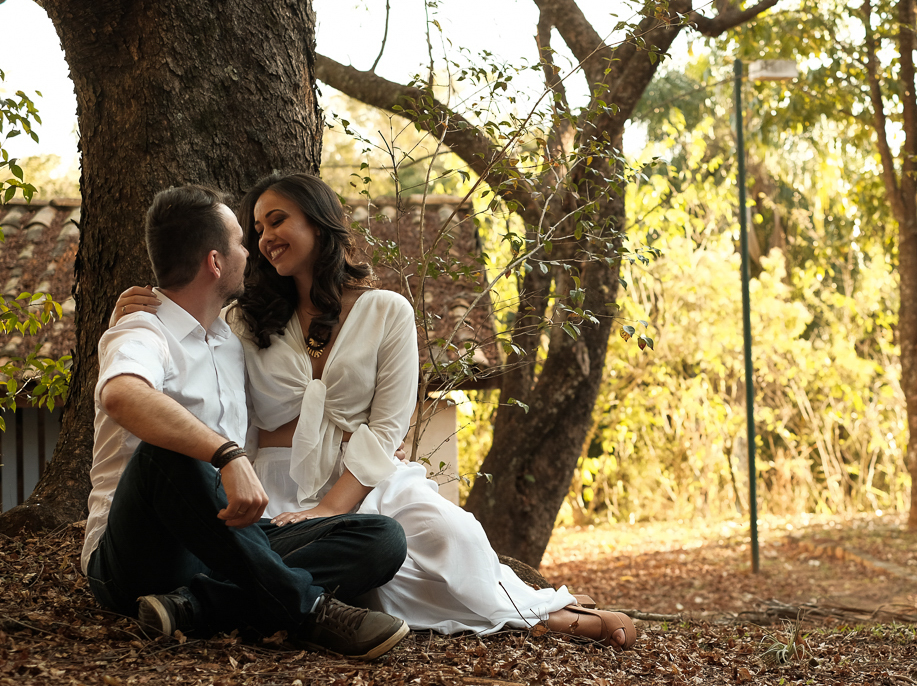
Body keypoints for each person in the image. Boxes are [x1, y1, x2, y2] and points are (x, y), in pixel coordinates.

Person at [115, 173, 637, 649]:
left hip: (364, 476)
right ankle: (555, 622)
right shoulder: (243, 323)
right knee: (376, 583)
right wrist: (137, 309)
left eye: (278, 219)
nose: (265, 236)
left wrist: (333, 507)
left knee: (451, 537)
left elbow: (388, 425)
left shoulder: (388, 311)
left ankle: (539, 612)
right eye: (255, 229)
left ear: (319, 222)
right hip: (276, 483)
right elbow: (190, 316)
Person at [86, 184, 411, 660]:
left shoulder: (231, 339)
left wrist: (375, 439)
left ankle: (194, 608)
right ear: (216, 262)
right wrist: (225, 454)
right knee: (167, 455)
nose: (251, 250)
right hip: (142, 552)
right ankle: (312, 610)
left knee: (381, 538)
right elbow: (121, 393)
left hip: (223, 542)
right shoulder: (141, 330)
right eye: (242, 240)